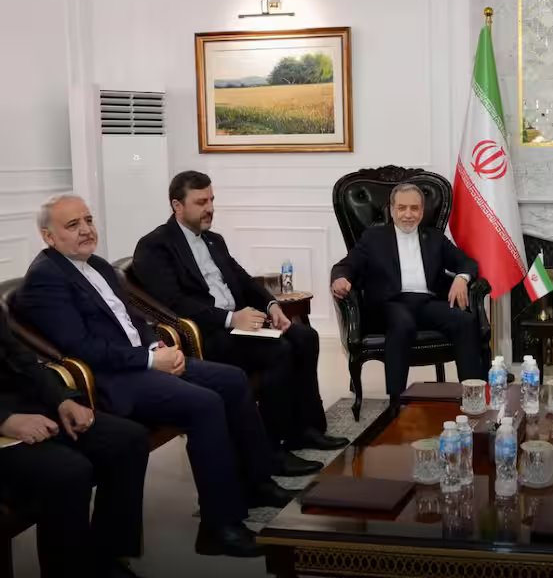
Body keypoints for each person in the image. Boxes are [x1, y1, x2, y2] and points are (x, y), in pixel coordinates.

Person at [17, 194, 300, 558]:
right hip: (113, 379)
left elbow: (132, 318)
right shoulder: (46, 278)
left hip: (142, 361)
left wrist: (157, 347)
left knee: (232, 380)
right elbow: (82, 347)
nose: (86, 229)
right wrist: (150, 360)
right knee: (205, 404)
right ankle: (218, 527)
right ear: (48, 236)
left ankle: (256, 482)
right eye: (73, 225)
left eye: (88, 220)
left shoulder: (97, 264)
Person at [133, 170, 347, 466]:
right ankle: (273, 448)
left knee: (304, 336)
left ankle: (303, 430)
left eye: (211, 200)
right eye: (201, 202)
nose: (210, 208)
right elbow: (174, 304)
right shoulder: (155, 246)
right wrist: (230, 319)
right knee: (279, 350)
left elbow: (243, 279)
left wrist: (271, 305)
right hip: (206, 334)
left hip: (237, 324)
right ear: (177, 205)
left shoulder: (213, 240)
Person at [0, 314, 148, 578]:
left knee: (128, 440)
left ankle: (107, 558)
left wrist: (62, 399)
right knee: (68, 472)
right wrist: (5, 421)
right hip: (4, 424)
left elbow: (21, 357)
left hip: (22, 405)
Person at [330, 182, 486, 399]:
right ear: (392, 210)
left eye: (414, 208)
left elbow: (467, 262)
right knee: (403, 323)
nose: (408, 214)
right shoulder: (374, 238)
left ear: (422, 211)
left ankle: (473, 396)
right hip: (390, 304)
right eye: (402, 208)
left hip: (427, 303)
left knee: (465, 321)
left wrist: (462, 278)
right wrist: (340, 278)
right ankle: (397, 401)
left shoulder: (434, 238)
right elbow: (346, 265)